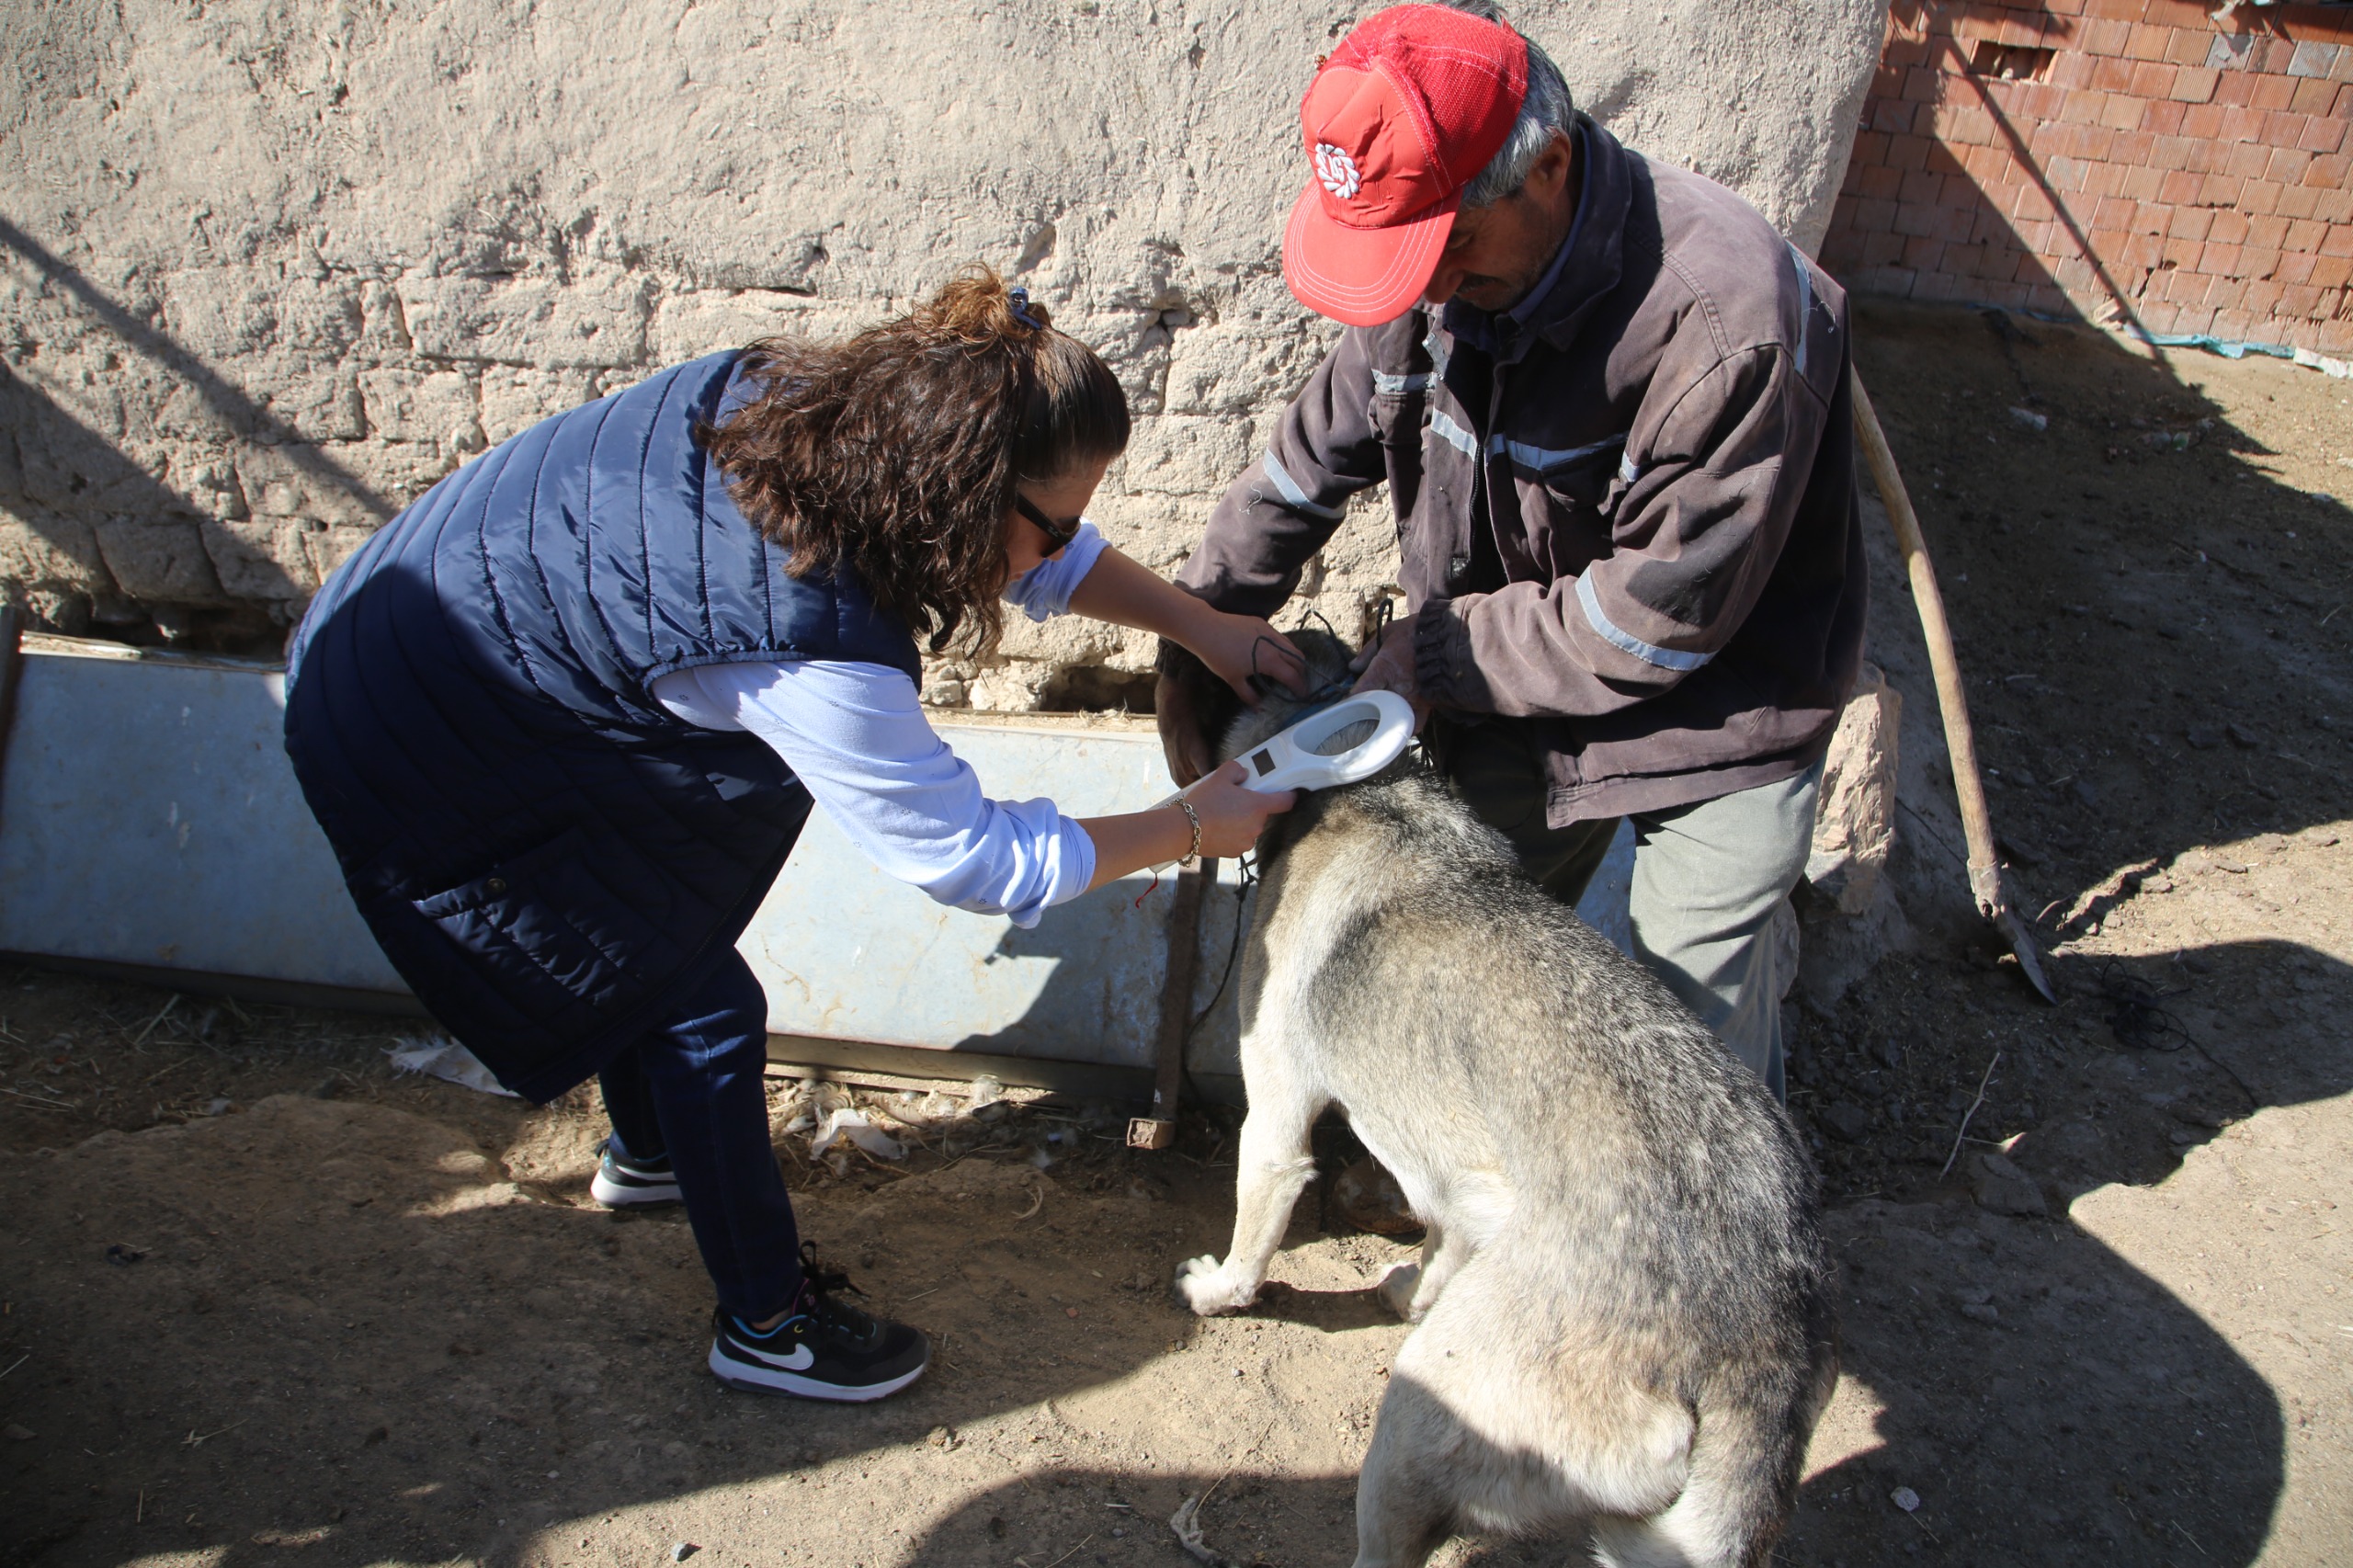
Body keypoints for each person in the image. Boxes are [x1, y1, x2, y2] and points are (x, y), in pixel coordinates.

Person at [284, 269, 1300, 1403]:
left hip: (440, 622)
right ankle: (768, 1326)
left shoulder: (819, 412)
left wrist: (1202, 626)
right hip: (417, 727)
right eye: (1049, 524)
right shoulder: (803, 632)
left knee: (646, 929)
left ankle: (654, 1154)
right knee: (702, 1005)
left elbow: (1045, 548)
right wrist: (1191, 824)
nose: (1054, 549)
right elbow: (970, 856)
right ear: (961, 491)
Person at [1155, 1, 1866, 1102]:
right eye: (1402, 257)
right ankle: (1467, 1197)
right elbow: (1302, 471)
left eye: (1450, 248)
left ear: (1549, 168)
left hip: (1719, 711)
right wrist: (1199, 634)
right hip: (1514, 694)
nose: (1427, 285)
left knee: (1694, 1048)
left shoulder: (1726, 323)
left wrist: (1433, 652)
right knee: (1467, 964)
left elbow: (1655, 616)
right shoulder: (1425, 279)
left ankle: (1718, 1261)